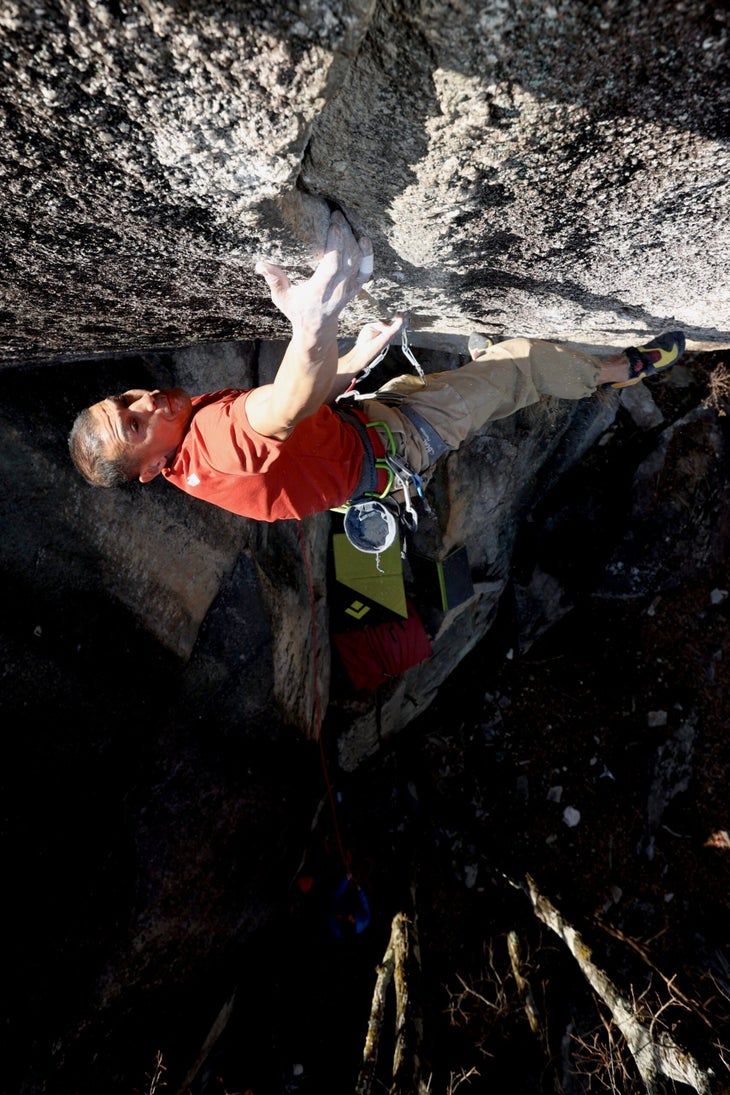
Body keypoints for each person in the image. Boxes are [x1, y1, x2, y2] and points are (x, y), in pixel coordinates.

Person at [69, 210, 686, 524]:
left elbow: (301, 407)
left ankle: (474, 368)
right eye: (134, 426)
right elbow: (283, 404)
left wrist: (358, 355)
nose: (146, 402)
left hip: (364, 428)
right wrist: (314, 325)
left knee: (451, 381)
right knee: (516, 370)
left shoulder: (188, 456)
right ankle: (616, 371)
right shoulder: (215, 444)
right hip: (402, 440)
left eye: (125, 399)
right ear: (150, 470)